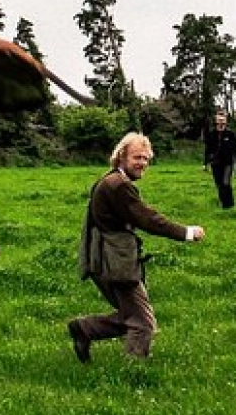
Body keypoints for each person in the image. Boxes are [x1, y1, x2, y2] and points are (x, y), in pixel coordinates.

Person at [68, 132, 205, 362]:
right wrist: (187, 233)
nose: (142, 163)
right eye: (137, 158)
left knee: (131, 315)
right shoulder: (118, 185)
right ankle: (133, 372)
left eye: (146, 158)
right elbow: (147, 219)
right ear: (122, 157)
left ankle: (85, 329)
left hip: (104, 259)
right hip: (115, 262)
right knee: (143, 323)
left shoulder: (109, 180)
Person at [202, 112, 236, 209]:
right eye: (219, 120)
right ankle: (224, 204)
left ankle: (229, 204)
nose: (221, 122)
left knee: (226, 183)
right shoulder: (211, 134)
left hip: (228, 163)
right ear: (216, 121)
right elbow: (207, 150)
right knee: (219, 185)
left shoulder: (230, 134)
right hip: (215, 163)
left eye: (223, 120)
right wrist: (205, 163)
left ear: (226, 122)